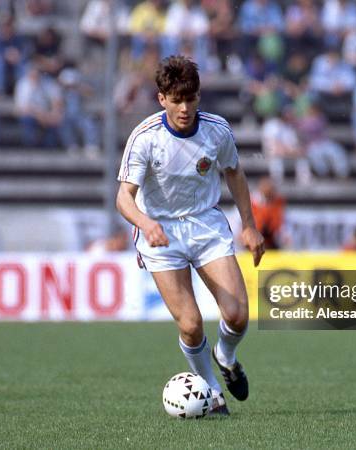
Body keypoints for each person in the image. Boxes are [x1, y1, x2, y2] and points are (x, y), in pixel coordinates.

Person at [116, 56, 265, 416]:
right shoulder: (145, 138)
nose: (185, 108)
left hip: (206, 225)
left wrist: (249, 224)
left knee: (238, 315)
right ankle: (213, 393)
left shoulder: (216, 130)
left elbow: (235, 174)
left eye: (191, 98)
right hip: (161, 232)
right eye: (176, 99)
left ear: (199, 96)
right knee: (191, 323)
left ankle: (225, 357)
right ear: (161, 99)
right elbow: (123, 197)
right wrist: (145, 223)